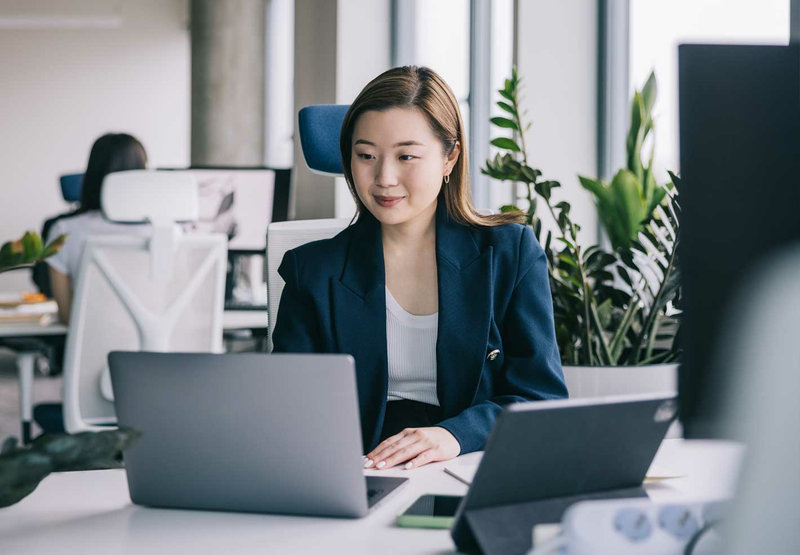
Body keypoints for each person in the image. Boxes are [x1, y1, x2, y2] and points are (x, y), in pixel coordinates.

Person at [272, 66, 568, 471]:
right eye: (366, 156)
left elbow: (542, 399)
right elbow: (287, 407)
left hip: (473, 464)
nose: (384, 177)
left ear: (451, 157)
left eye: (406, 156)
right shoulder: (311, 270)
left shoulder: (509, 252)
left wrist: (454, 435)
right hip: (357, 471)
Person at [45, 133, 150, 324]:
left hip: (90, 353)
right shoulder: (170, 233)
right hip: (160, 352)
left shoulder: (64, 232)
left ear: (92, 173)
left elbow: (68, 316)